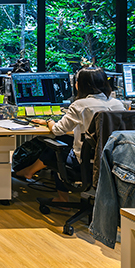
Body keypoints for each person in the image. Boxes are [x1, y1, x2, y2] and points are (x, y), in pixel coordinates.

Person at [14, 67, 125, 204]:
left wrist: (48, 121)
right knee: (64, 140)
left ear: (80, 85)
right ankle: (29, 172)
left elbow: (57, 130)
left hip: (86, 162)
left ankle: (62, 199)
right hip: (112, 160)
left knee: (56, 147)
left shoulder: (80, 105)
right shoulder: (118, 104)